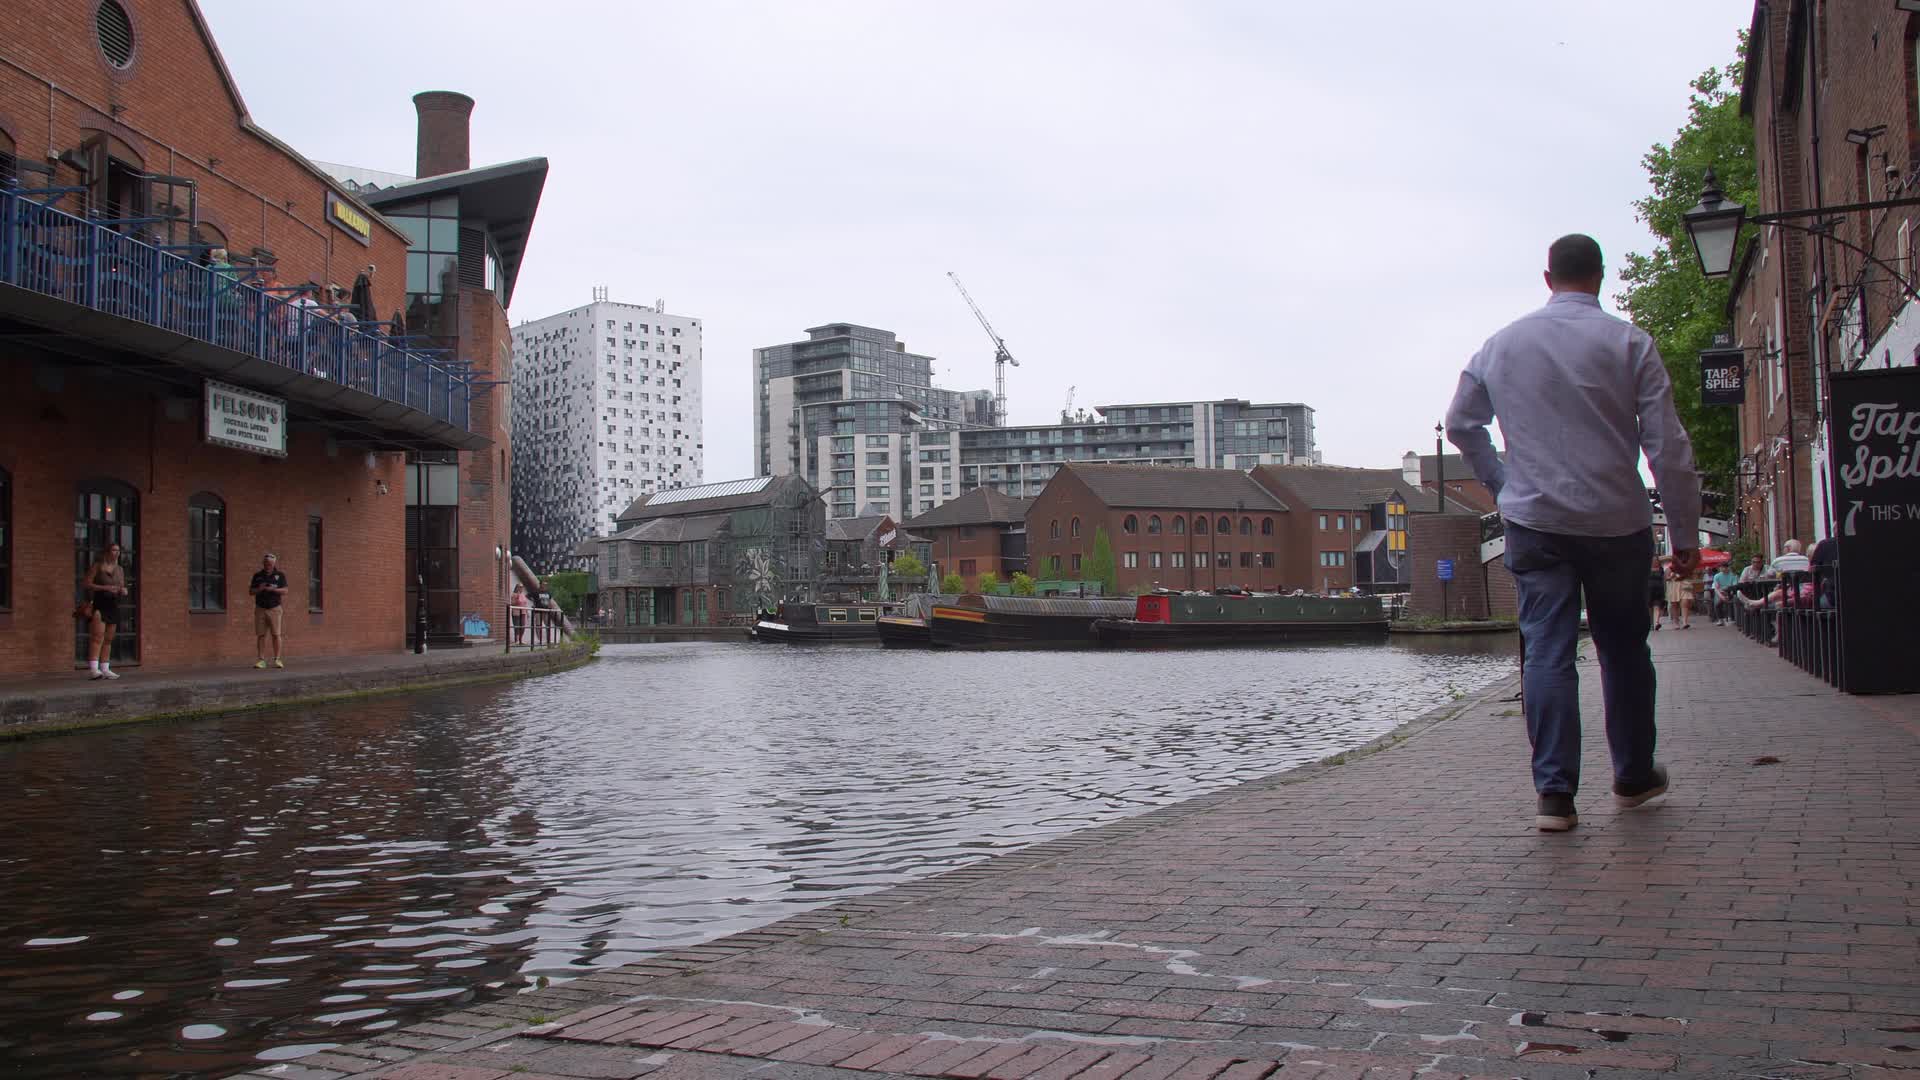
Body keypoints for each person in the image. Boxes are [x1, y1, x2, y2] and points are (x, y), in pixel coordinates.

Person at [1446, 233, 1700, 833]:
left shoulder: (1501, 346)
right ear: (1601, 277)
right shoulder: (1630, 342)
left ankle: (1555, 794)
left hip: (1536, 522)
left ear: (1547, 277)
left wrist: (1502, 482)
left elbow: (1461, 423)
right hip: (1618, 521)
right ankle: (1634, 776)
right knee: (1623, 650)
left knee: (1548, 651)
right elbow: (1668, 445)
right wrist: (1683, 533)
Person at [82, 542, 129, 680]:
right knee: (97, 636)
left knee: (109, 638)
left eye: (118, 550)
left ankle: (105, 668)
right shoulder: (97, 566)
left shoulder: (120, 569)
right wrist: (105, 588)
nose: (117, 553)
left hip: (113, 604)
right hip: (99, 603)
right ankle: (94, 669)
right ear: (107, 552)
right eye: (114, 550)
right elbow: (86, 583)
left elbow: (121, 585)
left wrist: (123, 590)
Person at [249, 552, 289, 669]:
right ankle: (261, 660)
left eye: (270, 564)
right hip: (260, 608)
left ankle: (277, 659)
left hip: (275, 609)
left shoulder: (280, 575)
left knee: (276, 634)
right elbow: (251, 592)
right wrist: (259, 589)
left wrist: (273, 590)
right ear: (263, 563)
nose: (268, 565)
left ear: (274, 564)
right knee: (261, 635)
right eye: (266, 563)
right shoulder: (257, 575)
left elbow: (285, 591)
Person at [1665, 563, 1692, 629]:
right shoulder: (1669, 568)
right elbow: (1666, 578)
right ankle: (1676, 623)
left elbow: (1689, 576)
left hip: (1684, 587)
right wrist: (1671, 576)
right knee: (1675, 606)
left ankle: (1685, 622)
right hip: (1673, 587)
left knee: (1685, 603)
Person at [1647, 556, 1667, 631]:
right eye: (1653, 560)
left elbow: (1664, 580)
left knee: (1657, 606)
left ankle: (1656, 623)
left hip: (1659, 590)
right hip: (1649, 590)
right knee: (1649, 608)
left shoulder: (1661, 569)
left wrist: (1665, 590)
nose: (1655, 561)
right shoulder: (1647, 569)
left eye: (1656, 560)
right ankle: (1651, 624)